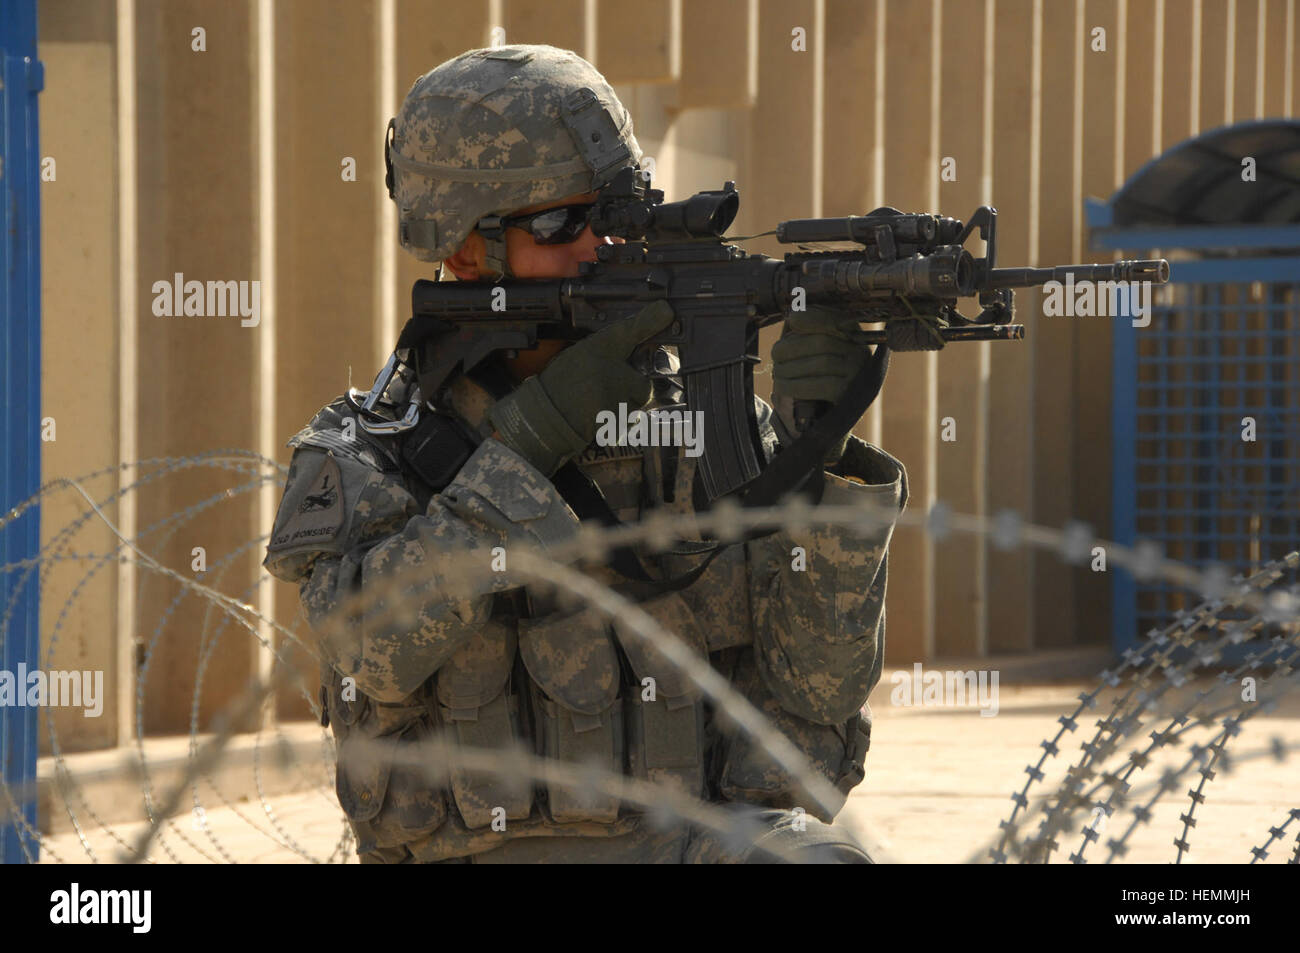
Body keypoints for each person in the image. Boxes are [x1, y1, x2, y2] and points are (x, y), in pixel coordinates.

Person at [263, 43, 907, 863]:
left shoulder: (701, 427)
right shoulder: (375, 449)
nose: (604, 244)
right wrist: (526, 447)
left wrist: (824, 458)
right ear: (465, 250)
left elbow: (817, 688)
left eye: (621, 212)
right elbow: (369, 654)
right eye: (565, 223)